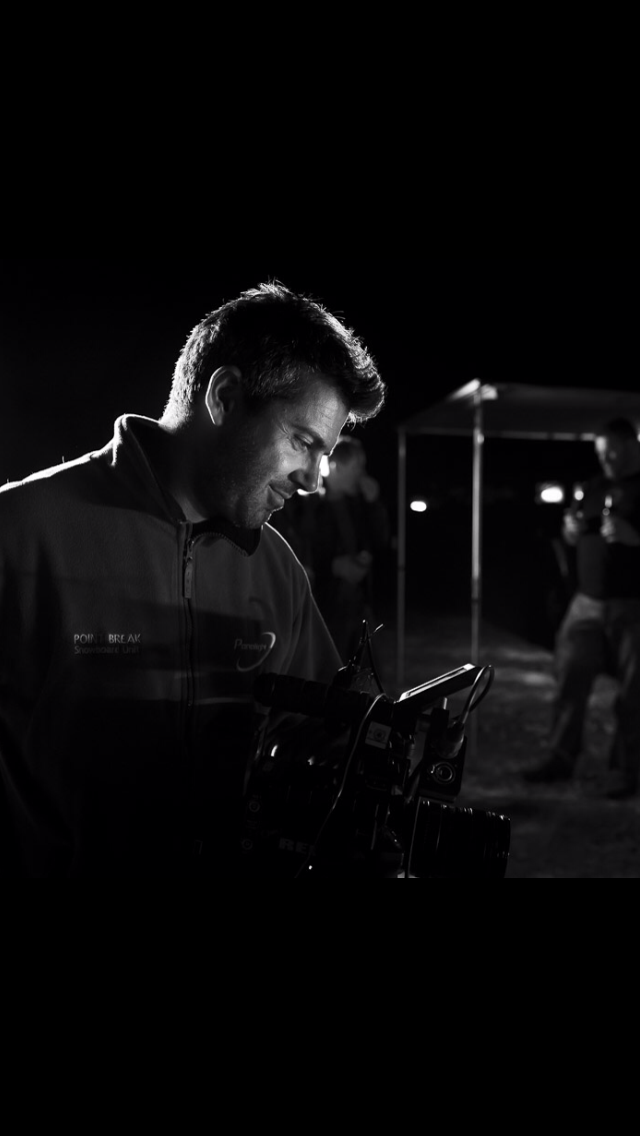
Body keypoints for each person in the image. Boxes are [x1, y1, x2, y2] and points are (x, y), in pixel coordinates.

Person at [0, 282, 386, 876]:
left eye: (327, 455)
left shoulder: (278, 569)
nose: (314, 479)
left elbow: (318, 736)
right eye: (303, 442)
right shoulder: (21, 531)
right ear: (226, 396)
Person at [523, 417, 640, 799]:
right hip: (586, 602)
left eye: (613, 450)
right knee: (570, 678)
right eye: (601, 452)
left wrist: (635, 538)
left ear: (631, 445)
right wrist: (569, 531)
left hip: (633, 605)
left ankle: (627, 770)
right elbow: (572, 531)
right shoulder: (593, 487)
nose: (606, 457)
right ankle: (560, 756)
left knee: (634, 692)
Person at [307, 435, 390, 664]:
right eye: (356, 467)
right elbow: (302, 555)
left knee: (366, 671)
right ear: (335, 466)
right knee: (330, 668)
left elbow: (380, 541)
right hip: (326, 608)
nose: (361, 474)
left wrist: (374, 504)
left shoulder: (359, 503)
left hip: (358, 603)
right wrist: (332, 567)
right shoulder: (311, 505)